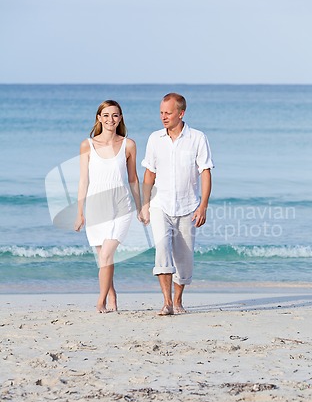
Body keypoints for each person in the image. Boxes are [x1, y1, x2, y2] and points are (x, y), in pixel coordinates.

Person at [141, 93, 214, 315]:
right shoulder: (155, 139)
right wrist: (144, 204)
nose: (164, 117)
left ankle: (179, 300)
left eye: (168, 113)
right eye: (161, 112)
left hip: (188, 206)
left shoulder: (198, 138)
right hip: (160, 205)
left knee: (184, 257)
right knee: (162, 249)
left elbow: (206, 172)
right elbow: (149, 174)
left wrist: (203, 206)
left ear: (181, 113)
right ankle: (166, 302)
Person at [74, 100, 143, 313]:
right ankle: (112, 294)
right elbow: (83, 180)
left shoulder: (128, 145)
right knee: (103, 259)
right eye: (106, 115)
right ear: (99, 118)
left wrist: (141, 207)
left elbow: (133, 179)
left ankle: (101, 301)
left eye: (114, 115)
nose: (110, 119)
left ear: (120, 118)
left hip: (121, 208)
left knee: (106, 256)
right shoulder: (87, 145)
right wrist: (79, 213)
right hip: (95, 209)